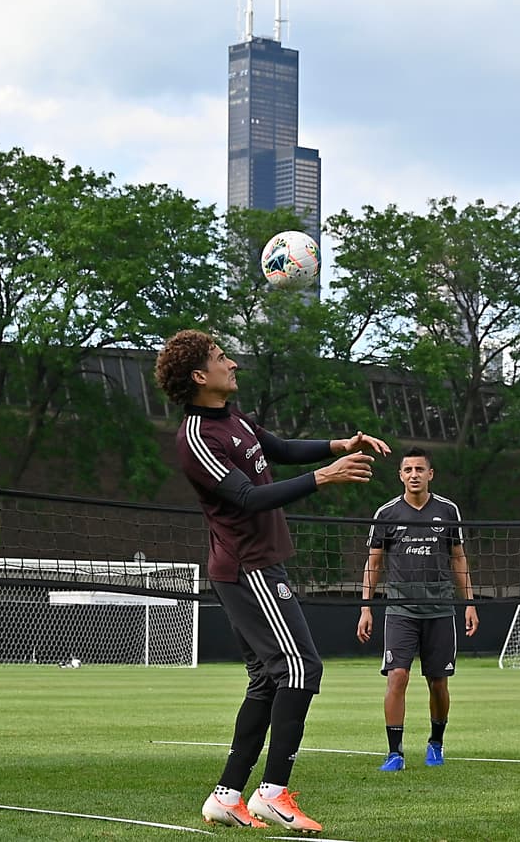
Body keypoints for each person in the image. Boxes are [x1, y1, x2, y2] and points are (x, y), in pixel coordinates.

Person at [154, 330, 389, 833]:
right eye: (221, 358)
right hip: (247, 566)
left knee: (267, 679)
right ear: (200, 376)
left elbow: (277, 448)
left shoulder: (233, 419)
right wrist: (325, 476)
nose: (232, 363)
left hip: (259, 562)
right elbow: (245, 497)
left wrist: (338, 444)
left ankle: (226, 796)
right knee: (302, 667)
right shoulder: (196, 435)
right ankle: (273, 791)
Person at [356, 448, 478, 771]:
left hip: (440, 609)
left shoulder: (448, 510)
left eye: (419, 469)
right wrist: (366, 608)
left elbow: (459, 558)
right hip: (400, 610)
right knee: (397, 677)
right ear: (400, 475)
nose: (414, 474)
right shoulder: (386, 514)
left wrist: (469, 603)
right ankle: (394, 752)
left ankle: (436, 743)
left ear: (430, 474)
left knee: (439, 683)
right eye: (408, 469)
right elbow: (373, 563)